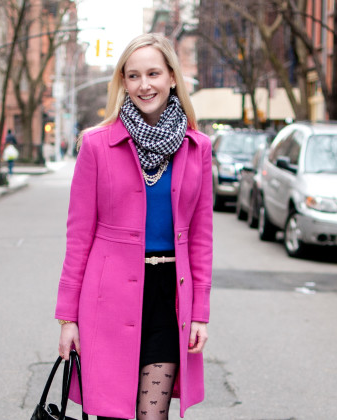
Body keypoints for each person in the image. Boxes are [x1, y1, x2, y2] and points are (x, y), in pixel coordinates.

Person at [55, 33, 212, 420]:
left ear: (172, 77)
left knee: (151, 414)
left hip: (169, 300)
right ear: (123, 82)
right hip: (106, 301)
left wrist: (201, 313)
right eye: (134, 75)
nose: (145, 85)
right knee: (112, 415)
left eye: (154, 73)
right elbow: (78, 237)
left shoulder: (197, 147)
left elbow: (201, 238)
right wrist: (67, 318)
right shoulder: (96, 144)